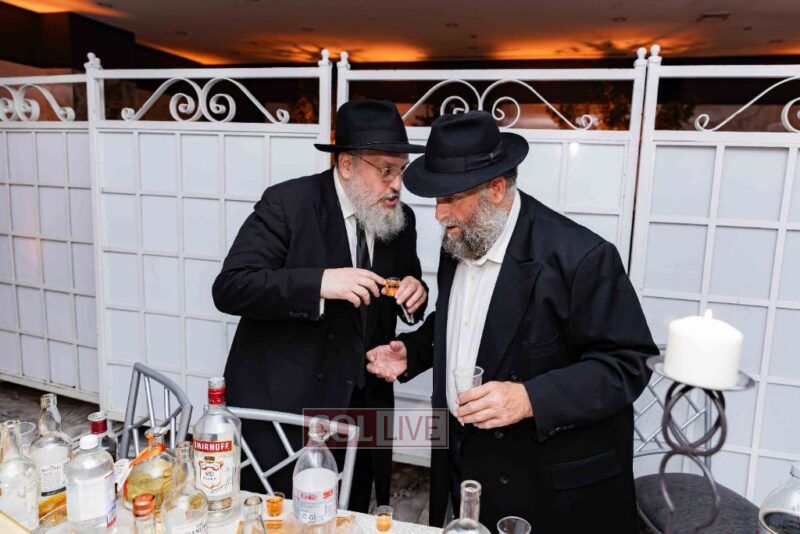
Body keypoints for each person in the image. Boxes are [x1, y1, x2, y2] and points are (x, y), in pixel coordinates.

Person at [366, 110, 658, 532]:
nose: (439, 214)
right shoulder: (462, 239)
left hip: (546, 488)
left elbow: (628, 364)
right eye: (436, 199)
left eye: (450, 198)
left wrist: (529, 398)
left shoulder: (582, 258)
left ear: (497, 189)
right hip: (465, 466)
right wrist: (413, 350)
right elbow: (466, 320)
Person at [213, 99, 429, 511]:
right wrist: (321, 283)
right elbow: (231, 287)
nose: (397, 184)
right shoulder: (288, 204)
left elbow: (406, 284)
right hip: (289, 406)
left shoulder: (401, 220)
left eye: (401, 170)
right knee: (278, 514)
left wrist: (414, 294)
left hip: (362, 409)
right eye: (386, 170)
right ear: (346, 165)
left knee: (349, 512)